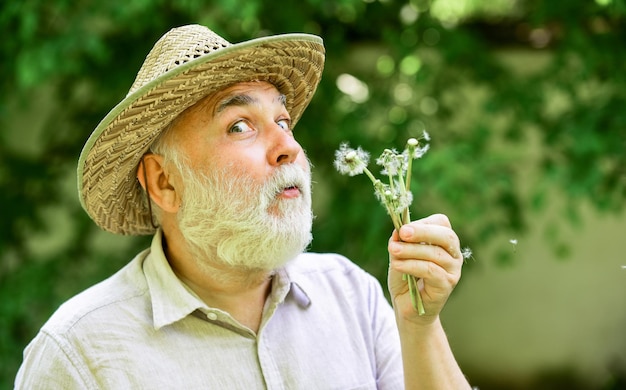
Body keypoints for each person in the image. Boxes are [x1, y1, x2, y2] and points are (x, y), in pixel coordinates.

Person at [15, 24, 471, 389]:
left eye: (283, 120)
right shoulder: (78, 354)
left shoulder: (354, 295)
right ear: (164, 181)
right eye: (239, 126)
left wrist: (420, 327)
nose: (287, 146)